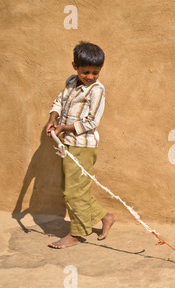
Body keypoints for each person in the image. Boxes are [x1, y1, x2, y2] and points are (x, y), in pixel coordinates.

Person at [45, 41, 116, 249]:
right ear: (74, 66)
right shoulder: (70, 81)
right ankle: (106, 217)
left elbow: (92, 122)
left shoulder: (97, 90)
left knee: (74, 191)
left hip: (83, 146)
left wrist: (62, 128)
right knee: (70, 189)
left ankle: (77, 233)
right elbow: (59, 101)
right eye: (86, 72)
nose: (90, 77)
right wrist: (52, 118)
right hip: (66, 144)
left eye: (96, 72)